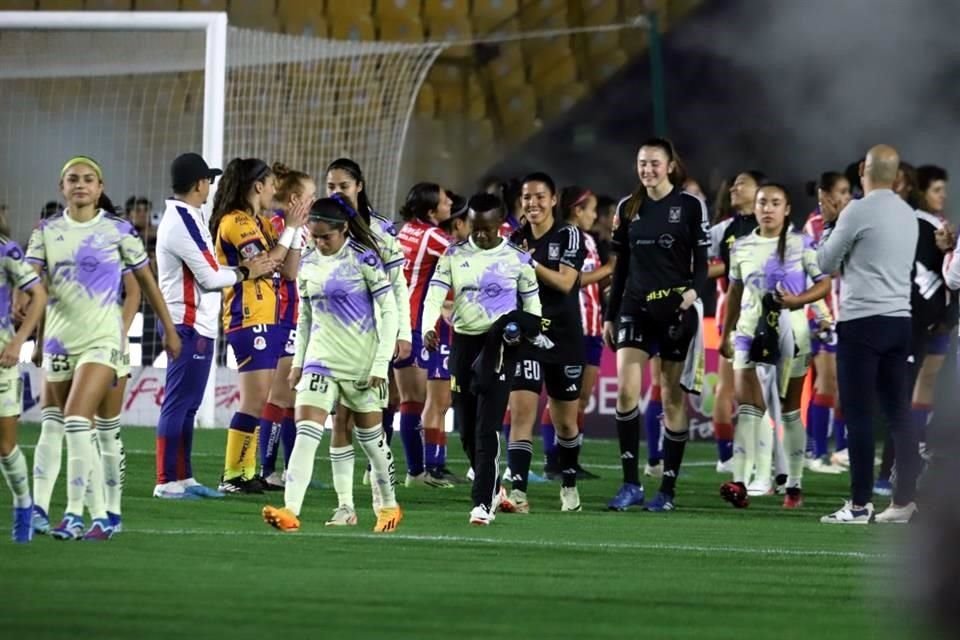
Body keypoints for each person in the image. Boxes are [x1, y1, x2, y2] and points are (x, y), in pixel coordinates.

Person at [27, 156, 181, 540]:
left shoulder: (117, 231)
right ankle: (42, 510)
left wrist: (169, 328)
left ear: (100, 187)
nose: (80, 184)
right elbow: (41, 291)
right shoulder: (45, 232)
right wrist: (37, 337)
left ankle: (87, 513)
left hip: (103, 341)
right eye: (72, 179)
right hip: (60, 341)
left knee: (86, 423)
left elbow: (145, 284)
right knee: (52, 425)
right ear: (62, 186)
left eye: (88, 179)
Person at [262, 196, 402, 533]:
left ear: (342, 230)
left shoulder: (364, 259)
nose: (320, 242)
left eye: (326, 236)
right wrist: (299, 361)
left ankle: (388, 505)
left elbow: (390, 311)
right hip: (319, 362)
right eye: (315, 235)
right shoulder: (308, 261)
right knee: (307, 436)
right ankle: (291, 510)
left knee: (372, 442)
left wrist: (380, 365)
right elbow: (306, 315)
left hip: (361, 365)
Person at [153, 153, 277, 500]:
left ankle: (184, 477)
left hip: (200, 324)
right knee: (178, 403)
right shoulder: (181, 222)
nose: (210, 185)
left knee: (188, 404)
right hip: (186, 323)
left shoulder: (190, 217)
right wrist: (245, 272)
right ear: (198, 184)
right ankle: (166, 480)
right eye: (207, 179)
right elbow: (208, 277)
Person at [421, 193, 542, 525]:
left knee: (487, 427)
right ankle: (492, 485)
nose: (482, 235)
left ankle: (481, 503)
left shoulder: (517, 259)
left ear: (500, 225)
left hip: (500, 346)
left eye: (488, 229)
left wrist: (526, 332)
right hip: (463, 343)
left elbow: (533, 309)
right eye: (476, 227)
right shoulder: (453, 255)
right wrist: (426, 327)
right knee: (467, 429)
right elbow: (434, 294)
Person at [604, 138, 709, 512]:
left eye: (654, 163)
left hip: (675, 308)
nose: (647, 169)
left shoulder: (690, 206)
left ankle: (667, 489)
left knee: (671, 396)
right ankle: (630, 483)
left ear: (669, 166)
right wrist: (609, 314)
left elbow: (702, 262)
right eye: (641, 163)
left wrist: (691, 298)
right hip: (634, 306)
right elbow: (621, 269)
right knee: (627, 395)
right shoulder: (627, 207)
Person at [817, 144, 920, 525]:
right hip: (899, 320)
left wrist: (830, 225)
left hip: (862, 321)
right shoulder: (907, 214)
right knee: (899, 414)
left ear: (863, 169)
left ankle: (860, 505)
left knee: (858, 415)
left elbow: (825, 262)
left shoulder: (857, 210)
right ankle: (904, 502)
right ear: (896, 176)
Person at [718, 183, 831, 509]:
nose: (767, 208)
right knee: (748, 408)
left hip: (792, 334)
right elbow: (735, 293)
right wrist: (727, 331)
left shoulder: (802, 244)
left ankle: (794, 484)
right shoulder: (740, 246)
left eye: (775, 203)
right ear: (754, 208)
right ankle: (739, 482)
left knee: (790, 411)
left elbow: (824, 284)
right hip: (748, 334)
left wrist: (798, 301)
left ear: (786, 209)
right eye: (762, 202)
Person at [210, 158, 307, 494]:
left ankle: (247, 471)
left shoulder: (262, 223)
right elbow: (264, 264)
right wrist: (291, 229)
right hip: (247, 316)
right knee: (253, 400)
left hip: (272, 318)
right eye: (270, 184)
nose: (274, 191)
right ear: (257, 186)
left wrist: (294, 232)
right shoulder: (235, 222)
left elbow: (290, 271)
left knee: (262, 397)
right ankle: (233, 474)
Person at [502, 173, 587, 514]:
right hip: (527, 336)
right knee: (522, 414)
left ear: (553, 200)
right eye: (526, 197)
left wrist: (530, 262)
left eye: (539, 196)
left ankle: (568, 482)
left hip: (564, 338)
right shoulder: (514, 238)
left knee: (565, 422)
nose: (532, 203)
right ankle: (518, 491)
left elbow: (566, 282)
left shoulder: (568, 234)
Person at [325, 158, 411, 491]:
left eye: (343, 186)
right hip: (338, 334)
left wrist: (403, 333)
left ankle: (377, 470)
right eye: (331, 186)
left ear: (359, 186)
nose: (336, 192)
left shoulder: (382, 229)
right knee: (342, 415)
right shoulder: (319, 227)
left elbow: (398, 284)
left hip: (379, 331)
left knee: (386, 401)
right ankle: (351, 493)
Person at [257, 164, 316, 490]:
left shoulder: (303, 228)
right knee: (279, 397)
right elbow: (284, 272)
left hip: (299, 318)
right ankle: (266, 469)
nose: (315, 200)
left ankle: (292, 470)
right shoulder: (278, 226)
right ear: (295, 199)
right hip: (282, 317)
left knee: (292, 400)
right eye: (311, 195)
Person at [395, 182, 456, 487]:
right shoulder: (434, 236)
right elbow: (462, 259)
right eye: (446, 202)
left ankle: (383, 469)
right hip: (414, 324)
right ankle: (417, 472)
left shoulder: (404, 230)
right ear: (433, 210)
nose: (450, 204)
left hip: (393, 319)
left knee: (397, 399)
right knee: (414, 400)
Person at [0, 209, 47, 542]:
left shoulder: (6, 250)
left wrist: (19, 340)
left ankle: (23, 504)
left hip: (2, 358)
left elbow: (39, 294)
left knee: (5, 445)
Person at [560, 185, 612, 480]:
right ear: (577, 210)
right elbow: (572, 280)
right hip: (575, 326)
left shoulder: (589, 240)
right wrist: (608, 269)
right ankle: (558, 461)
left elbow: (591, 281)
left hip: (592, 325)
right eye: (591, 210)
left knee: (581, 397)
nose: (595, 215)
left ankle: (570, 460)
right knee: (565, 396)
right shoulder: (567, 237)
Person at [802, 172, 851, 474]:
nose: (848, 198)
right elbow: (811, 274)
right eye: (843, 192)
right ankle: (816, 451)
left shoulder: (851, 223)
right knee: (827, 382)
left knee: (844, 385)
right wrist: (821, 315)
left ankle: (842, 449)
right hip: (823, 315)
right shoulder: (814, 226)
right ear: (827, 196)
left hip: (846, 314)